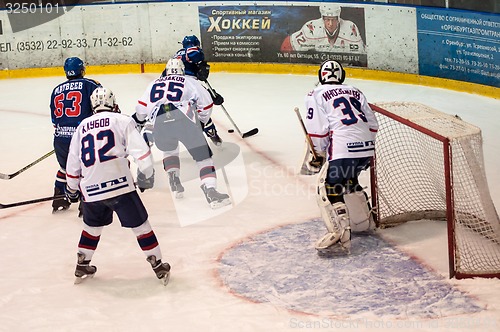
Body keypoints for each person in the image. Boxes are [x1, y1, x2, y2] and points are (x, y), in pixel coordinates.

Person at [65, 87, 171, 285]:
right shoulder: (122, 120)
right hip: (120, 186)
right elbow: (143, 155)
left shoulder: (81, 127)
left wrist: (71, 189)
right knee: (141, 227)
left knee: (92, 227)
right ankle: (157, 265)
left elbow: (73, 164)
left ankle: (82, 263)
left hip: (91, 190)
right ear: (113, 102)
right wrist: (146, 176)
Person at [133, 58, 231, 209]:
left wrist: (140, 122)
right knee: (204, 158)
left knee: (169, 149)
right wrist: (202, 121)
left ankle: (173, 178)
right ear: (182, 70)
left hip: (159, 124)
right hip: (184, 121)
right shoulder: (190, 81)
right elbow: (206, 104)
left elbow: (140, 110)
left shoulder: (154, 83)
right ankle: (211, 191)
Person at [303, 59, 378, 253]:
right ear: (341, 76)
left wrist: (318, 153)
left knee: (329, 188)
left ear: (321, 76)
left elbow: (318, 131)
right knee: (349, 178)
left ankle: (341, 233)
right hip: (367, 148)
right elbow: (372, 124)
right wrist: (365, 147)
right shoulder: (356, 91)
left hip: (343, 148)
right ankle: (365, 222)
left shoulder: (315, 94)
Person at [49, 56, 100, 214]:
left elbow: (54, 119)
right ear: (81, 69)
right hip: (81, 136)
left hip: (60, 139)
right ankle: (85, 204)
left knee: (65, 168)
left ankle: (59, 198)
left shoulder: (56, 90)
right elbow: (101, 107)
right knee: (87, 169)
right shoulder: (90, 85)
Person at [171, 35, 225, 146]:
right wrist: (201, 63)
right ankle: (212, 135)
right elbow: (194, 54)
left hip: (172, 86)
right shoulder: (190, 49)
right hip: (189, 83)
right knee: (202, 107)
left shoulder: (176, 55)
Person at [280, 4, 366, 55]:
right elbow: (287, 44)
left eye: (333, 19)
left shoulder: (350, 28)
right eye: (327, 19)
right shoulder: (312, 28)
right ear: (322, 19)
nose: (330, 24)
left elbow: (363, 53)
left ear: (338, 19)